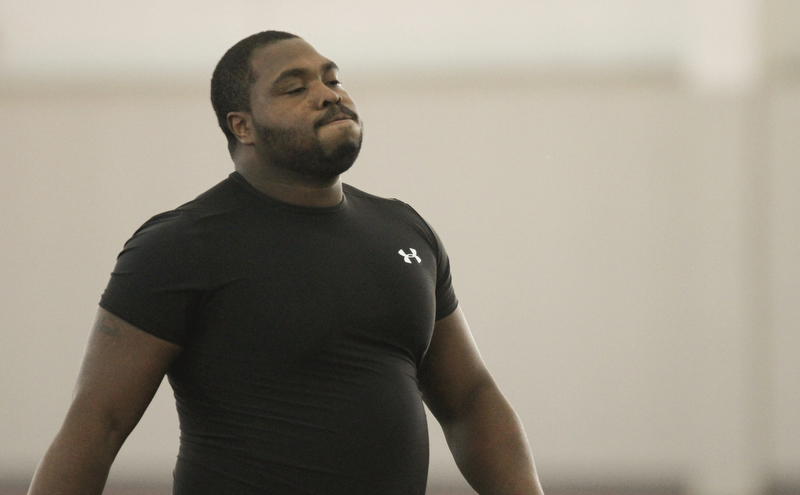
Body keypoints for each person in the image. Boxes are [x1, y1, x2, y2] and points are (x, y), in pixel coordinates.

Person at [27, 30, 544, 495]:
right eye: (295, 88)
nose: (329, 94)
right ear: (243, 126)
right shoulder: (179, 245)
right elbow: (97, 425)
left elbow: (470, 401)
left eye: (333, 79)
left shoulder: (405, 231)